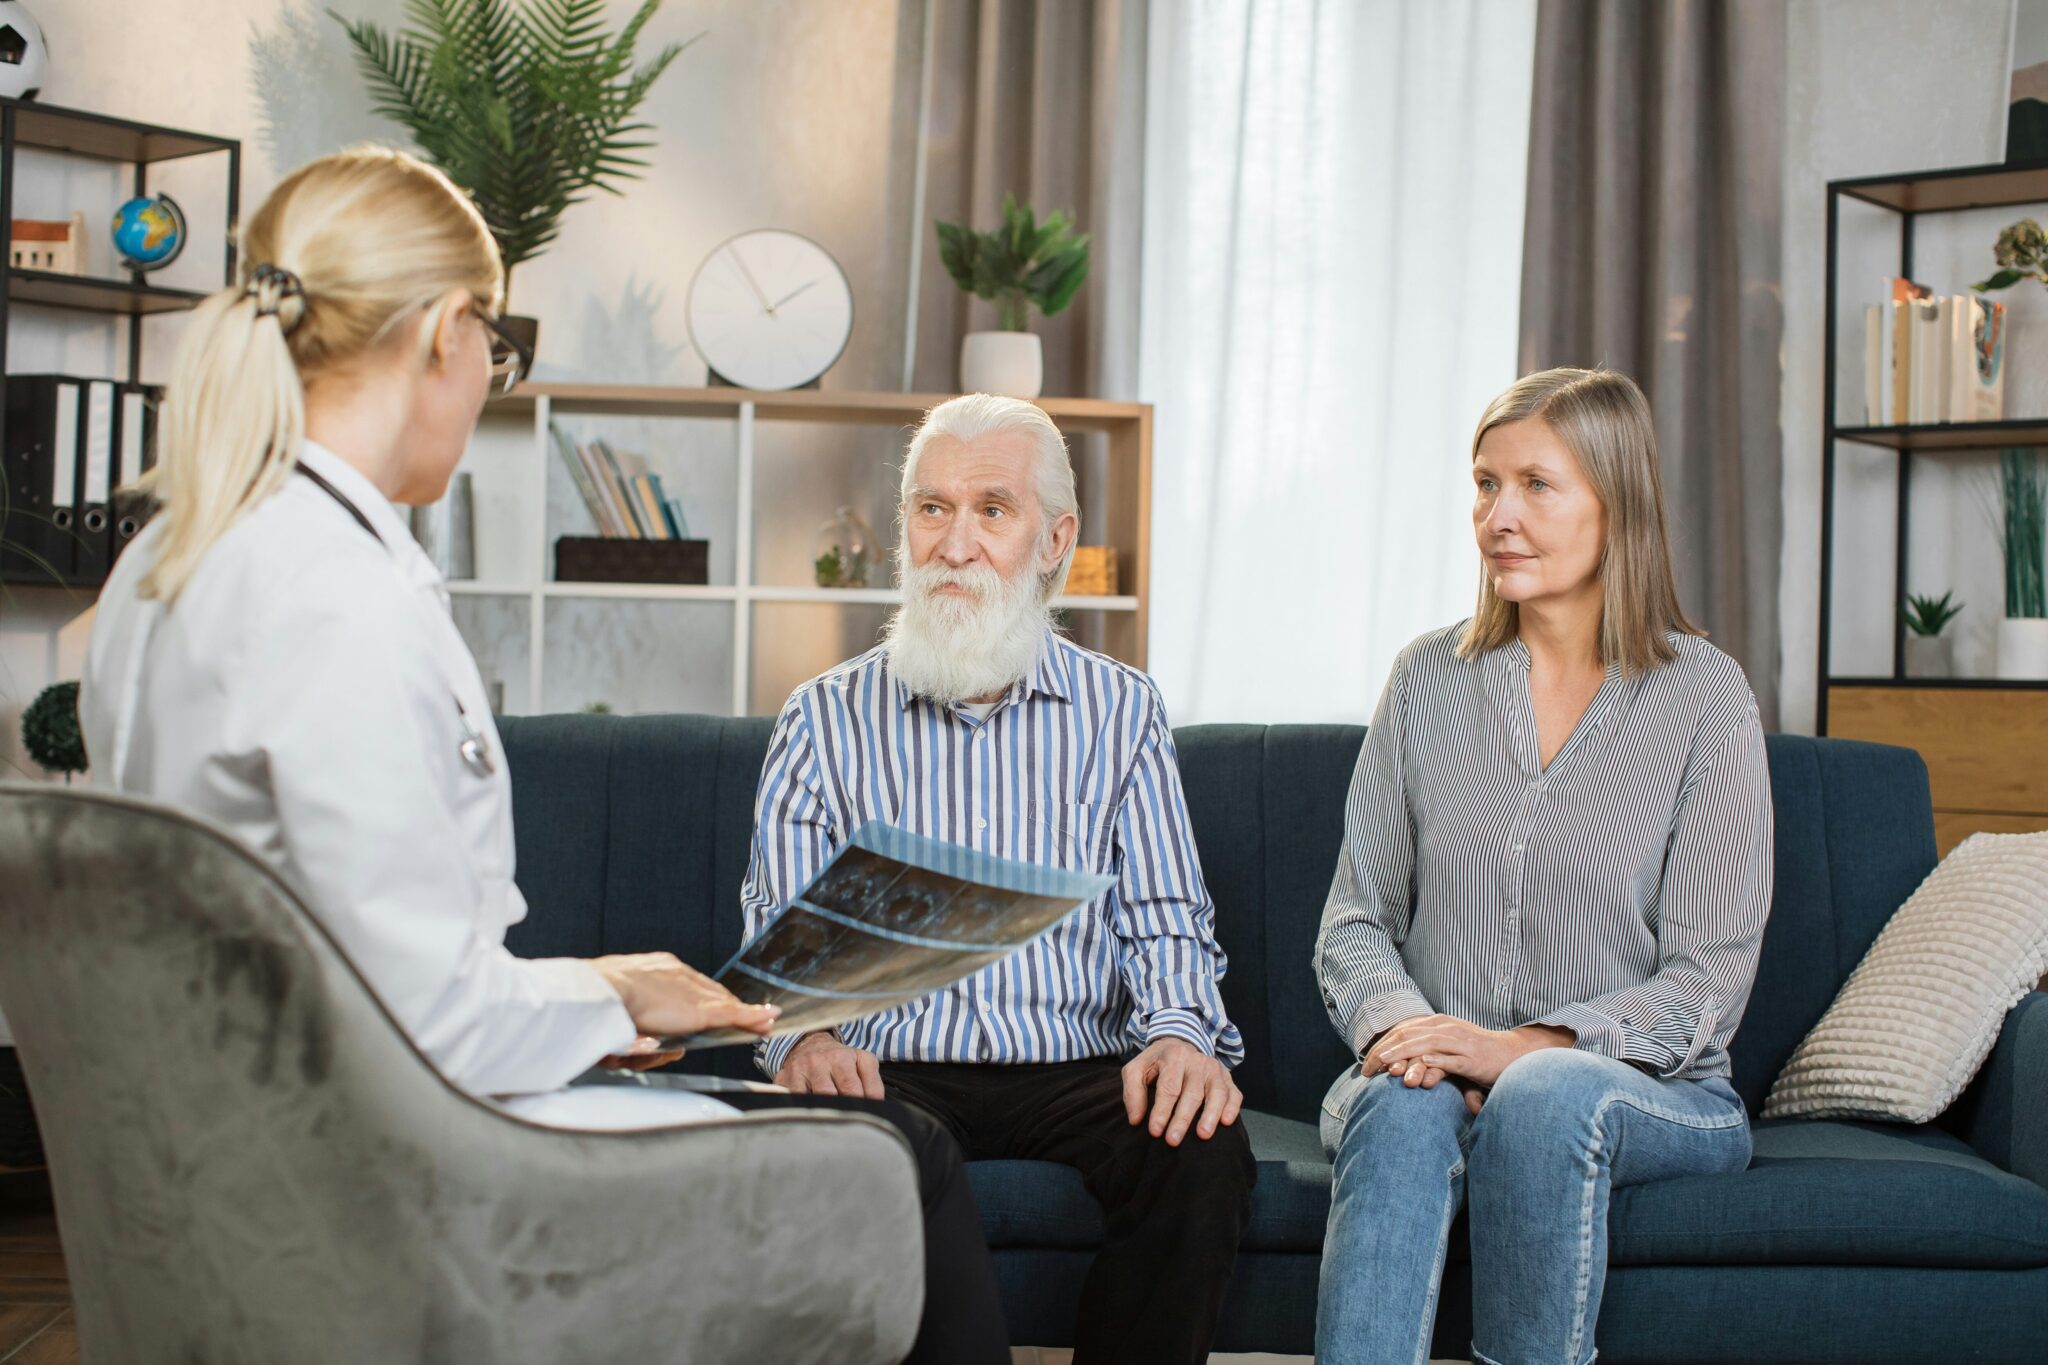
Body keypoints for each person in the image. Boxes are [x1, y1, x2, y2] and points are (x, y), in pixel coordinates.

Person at [79, 146, 1006, 1365]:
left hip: (231, 1167)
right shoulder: (338, 598)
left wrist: (603, 992)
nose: (487, 387)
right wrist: (610, 992)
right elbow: (426, 1022)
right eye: (495, 351)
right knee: (908, 1160)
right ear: (445, 333)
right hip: (394, 1186)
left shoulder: (163, 569)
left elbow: (346, 957)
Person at [741, 393, 1256, 1365]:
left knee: (1202, 1149)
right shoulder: (819, 718)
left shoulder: (1121, 710)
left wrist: (1183, 1034)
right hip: (890, 1060)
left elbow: (1164, 915)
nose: (954, 542)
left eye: (991, 509)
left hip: (1075, 1062)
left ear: (1052, 539)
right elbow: (783, 931)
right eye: (930, 508)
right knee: (835, 1149)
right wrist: (803, 1034)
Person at [1312, 367, 1773, 1365]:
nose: (1498, 516)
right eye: (1484, 484)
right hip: (1431, 1069)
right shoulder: (1427, 681)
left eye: (1534, 485)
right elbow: (1354, 918)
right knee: (1397, 1107)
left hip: (1659, 1094)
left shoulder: (1704, 699)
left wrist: (1518, 1051)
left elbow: (1707, 981)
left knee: (1541, 1094)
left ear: (1617, 502)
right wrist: (1409, 1036)